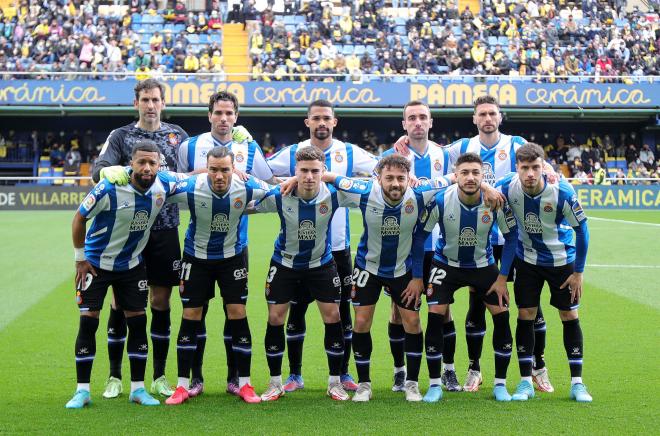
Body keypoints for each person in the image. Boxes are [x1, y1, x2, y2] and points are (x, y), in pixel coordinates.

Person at [394, 95, 554, 393]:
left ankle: (537, 365)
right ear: (474, 118)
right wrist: (404, 141)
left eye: (492, 113)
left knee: (526, 306)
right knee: (475, 305)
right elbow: (439, 156)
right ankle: (474, 368)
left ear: (500, 117)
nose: (487, 119)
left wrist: (551, 171)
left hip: (507, 239)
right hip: (469, 242)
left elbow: (537, 164)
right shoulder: (461, 147)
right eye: (482, 114)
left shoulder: (516, 142)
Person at [263, 99, 378, 393]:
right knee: (296, 311)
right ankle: (294, 374)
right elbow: (263, 174)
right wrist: (290, 178)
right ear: (308, 122)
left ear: (334, 122)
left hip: (336, 249)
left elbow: (381, 169)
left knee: (341, 313)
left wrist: (329, 176)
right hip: (297, 249)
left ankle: (342, 373)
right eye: (316, 118)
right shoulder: (292, 153)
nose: (322, 123)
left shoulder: (350, 152)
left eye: (327, 118)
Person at [322, 154, 450, 402]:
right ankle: (364, 385)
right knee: (361, 322)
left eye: (401, 178)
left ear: (408, 179)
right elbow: (328, 176)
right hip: (367, 268)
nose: (395, 183)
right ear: (378, 178)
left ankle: (411, 383)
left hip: (403, 270)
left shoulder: (420, 192)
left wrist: (486, 187)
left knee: (412, 322)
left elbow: (455, 177)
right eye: (389, 178)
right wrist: (295, 179)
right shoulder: (364, 190)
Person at [177, 91, 280, 397]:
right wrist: (212, 172)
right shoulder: (190, 146)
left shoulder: (248, 145)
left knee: (235, 311)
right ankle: (194, 379)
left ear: (236, 117)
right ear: (209, 115)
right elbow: (179, 181)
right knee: (196, 313)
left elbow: (266, 184)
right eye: (218, 113)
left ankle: (235, 378)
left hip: (237, 244)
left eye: (229, 114)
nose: (223, 119)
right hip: (198, 245)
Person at [92, 79, 188, 399]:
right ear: (136, 103)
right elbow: (99, 169)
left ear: (163, 103)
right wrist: (108, 171)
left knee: (160, 302)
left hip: (165, 230)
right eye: (145, 99)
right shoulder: (120, 136)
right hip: (128, 232)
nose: (150, 105)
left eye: (155, 99)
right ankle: (115, 376)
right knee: (121, 303)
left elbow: (200, 172)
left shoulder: (178, 137)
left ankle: (159, 376)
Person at [66, 141, 179, 408]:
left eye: (153, 163)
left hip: (131, 266)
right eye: (142, 162)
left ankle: (138, 389)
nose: (147, 168)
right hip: (96, 264)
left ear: (159, 164)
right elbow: (79, 218)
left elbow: (196, 178)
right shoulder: (109, 187)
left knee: (138, 322)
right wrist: (80, 259)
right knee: (89, 322)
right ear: (131, 162)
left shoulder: (165, 184)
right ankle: (82, 391)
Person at [164, 146, 270, 405]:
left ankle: (244, 384)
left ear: (234, 169)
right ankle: (182, 385)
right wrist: (118, 173)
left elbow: (278, 190)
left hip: (231, 258)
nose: (219, 175)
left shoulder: (247, 186)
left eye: (225, 169)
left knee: (237, 314)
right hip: (196, 258)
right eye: (214, 169)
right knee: (191, 315)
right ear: (206, 169)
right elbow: (158, 176)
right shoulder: (191, 186)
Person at [414, 152, 517, 402]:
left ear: (484, 177)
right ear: (455, 176)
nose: (470, 178)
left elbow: (512, 237)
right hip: (445, 265)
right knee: (435, 316)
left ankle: (500, 384)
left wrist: (503, 278)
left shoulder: (495, 202)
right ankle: (436, 385)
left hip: (483, 266)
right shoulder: (440, 200)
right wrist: (418, 276)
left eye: (475, 173)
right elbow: (419, 237)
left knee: (502, 317)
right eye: (465, 173)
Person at [254, 146, 353, 402]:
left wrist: (333, 178)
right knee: (276, 317)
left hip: (321, 264)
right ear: (295, 172)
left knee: (333, 317)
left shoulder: (334, 195)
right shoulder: (279, 194)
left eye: (315, 171)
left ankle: (334, 383)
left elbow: (370, 188)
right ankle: (275, 382)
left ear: (323, 172)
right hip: (285, 264)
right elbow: (245, 204)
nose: (309, 176)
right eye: (304, 171)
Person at [496, 143, 592, 403]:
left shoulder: (561, 191)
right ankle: (526, 382)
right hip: (526, 261)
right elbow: (477, 184)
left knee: (569, 314)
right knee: (525, 315)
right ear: (516, 167)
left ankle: (577, 383)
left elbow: (582, 230)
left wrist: (579, 272)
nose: (530, 173)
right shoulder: (506, 187)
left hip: (562, 262)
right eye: (524, 167)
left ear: (544, 167)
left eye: (535, 167)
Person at [381, 100, 459, 392]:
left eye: (422, 117)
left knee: (443, 308)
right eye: (411, 118)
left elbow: (466, 174)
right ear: (404, 124)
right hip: (402, 248)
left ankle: (448, 370)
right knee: (399, 310)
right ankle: (400, 371)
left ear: (430, 122)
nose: (417, 122)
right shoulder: (392, 155)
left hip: (437, 247)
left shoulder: (444, 153)